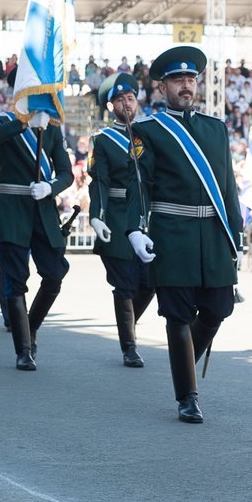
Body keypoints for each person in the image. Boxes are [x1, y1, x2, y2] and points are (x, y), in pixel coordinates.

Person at [125, 45, 243, 424]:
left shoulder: (216, 129)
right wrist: (133, 228)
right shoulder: (147, 131)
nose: (186, 85)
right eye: (178, 80)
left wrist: (235, 234)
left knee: (218, 309)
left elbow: (227, 186)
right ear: (163, 87)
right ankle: (187, 395)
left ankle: (183, 363)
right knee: (176, 315)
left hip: (212, 233)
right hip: (172, 232)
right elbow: (138, 184)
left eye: (191, 79)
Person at [0, 94, 73, 371]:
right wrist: (22, 123)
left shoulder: (53, 129)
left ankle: (30, 326)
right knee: (15, 280)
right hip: (12, 210)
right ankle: (23, 349)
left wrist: (52, 187)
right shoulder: (7, 121)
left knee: (55, 274)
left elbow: (66, 173)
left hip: (42, 210)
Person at [88, 73, 154, 367]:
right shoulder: (103, 140)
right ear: (110, 106)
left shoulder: (152, 133)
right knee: (125, 284)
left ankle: (127, 325)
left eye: (130, 98)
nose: (126, 104)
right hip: (116, 214)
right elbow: (99, 181)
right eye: (119, 100)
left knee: (150, 282)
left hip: (148, 217)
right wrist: (96, 216)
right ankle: (129, 345)